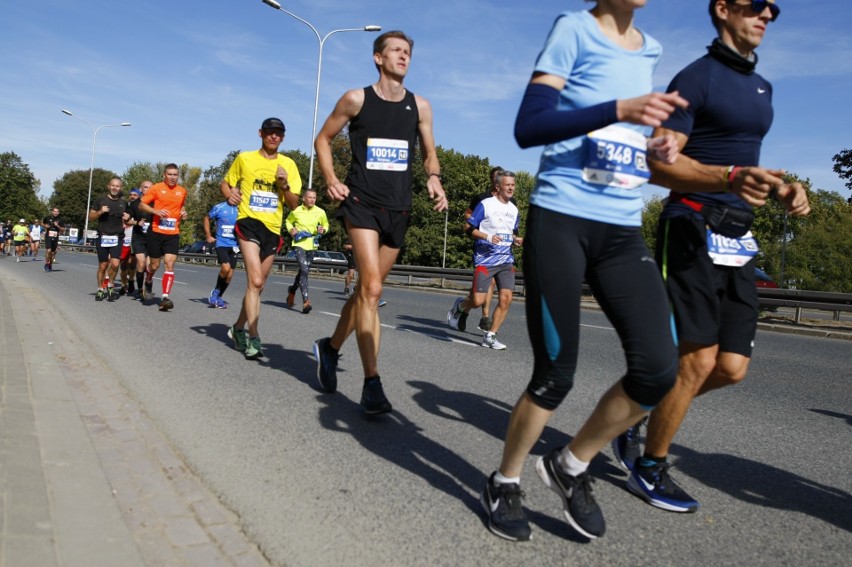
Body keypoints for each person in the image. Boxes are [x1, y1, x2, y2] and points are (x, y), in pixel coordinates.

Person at [479, 1, 689, 542]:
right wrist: (621, 107)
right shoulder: (573, 30)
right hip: (562, 221)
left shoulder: (651, 49)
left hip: (621, 230)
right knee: (556, 375)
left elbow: (621, 137)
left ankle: (570, 464)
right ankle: (505, 480)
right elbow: (531, 127)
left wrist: (653, 145)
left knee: (660, 369)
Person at [613, 0, 811, 514]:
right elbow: (658, 164)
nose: (766, 14)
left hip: (737, 235)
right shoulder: (696, 79)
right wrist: (725, 178)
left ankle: (632, 418)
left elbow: (743, 161)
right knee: (696, 360)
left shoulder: (761, 88)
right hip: (693, 225)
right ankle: (650, 465)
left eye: (773, 8)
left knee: (730, 367)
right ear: (723, 10)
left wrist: (785, 188)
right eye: (754, 5)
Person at [312, 30, 448, 415]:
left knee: (365, 296)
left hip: (399, 207)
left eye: (408, 52)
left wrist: (434, 178)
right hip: (361, 202)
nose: (404, 56)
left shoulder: (420, 106)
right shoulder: (357, 99)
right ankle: (372, 383)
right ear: (378, 57)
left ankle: (330, 348)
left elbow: (430, 153)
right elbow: (323, 139)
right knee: (371, 289)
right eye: (396, 51)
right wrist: (332, 179)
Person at [221, 117, 302, 360]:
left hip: (272, 229)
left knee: (259, 286)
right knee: (255, 280)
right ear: (260, 133)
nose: (273, 136)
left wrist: (284, 185)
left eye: (278, 133)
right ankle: (253, 337)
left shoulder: (288, 164)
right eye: (269, 132)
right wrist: (230, 194)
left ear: (283, 137)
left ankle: (237, 328)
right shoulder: (245, 158)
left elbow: (295, 204)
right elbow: (225, 183)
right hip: (248, 223)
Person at [447, 170, 523, 350]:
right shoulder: (485, 204)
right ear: (498, 186)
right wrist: (487, 237)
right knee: (478, 300)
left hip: (506, 260)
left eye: (513, 184)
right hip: (485, 260)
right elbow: (468, 228)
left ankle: (490, 336)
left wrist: (515, 239)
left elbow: (511, 232)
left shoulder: (514, 209)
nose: (511, 188)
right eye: (507, 184)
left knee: (506, 299)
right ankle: (460, 306)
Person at [139, 164, 188, 311]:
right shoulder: (156, 188)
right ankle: (148, 279)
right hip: (156, 232)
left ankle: (165, 297)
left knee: (169, 264)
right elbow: (142, 205)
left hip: (172, 234)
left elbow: (182, 207)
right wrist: (155, 211)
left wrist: (184, 213)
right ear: (164, 175)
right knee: (154, 265)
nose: (173, 177)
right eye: (170, 174)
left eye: (175, 175)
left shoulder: (182, 191)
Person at [464, 166, 505, 332]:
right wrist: (480, 224)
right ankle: (484, 316)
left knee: (491, 284)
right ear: (491, 180)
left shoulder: (509, 201)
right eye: (496, 178)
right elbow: (468, 215)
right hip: (483, 247)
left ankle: (477, 313)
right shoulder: (481, 199)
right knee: (486, 284)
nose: (498, 181)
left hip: (501, 249)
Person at [285, 188, 329, 314]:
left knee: (303, 272)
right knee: (304, 270)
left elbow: (326, 225)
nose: (312, 200)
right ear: (304, 198)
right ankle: (306, 301)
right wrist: (291, 229)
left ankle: (292, 290)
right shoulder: (296, 211)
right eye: (309, 197)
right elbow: (288, 221)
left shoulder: (320, 212)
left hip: (312, 244)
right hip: (299, 243)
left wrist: (323, 230)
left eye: (314, 198)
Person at [89, 177, 129, 301]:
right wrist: (100, 211)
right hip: (103, 236)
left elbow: (129, 220)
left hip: (117, 237)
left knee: (115, 264)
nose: (115, 188)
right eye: (113, 185)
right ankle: (100, 289)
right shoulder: (100, 200)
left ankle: (110, 285)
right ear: (108, 186)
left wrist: (129, 218)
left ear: (121, 188)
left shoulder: (124, 203)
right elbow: (90, 217)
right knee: (103, 265)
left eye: (117, 186)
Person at [204, 199, 239, 309]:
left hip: (235, 245)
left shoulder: (241, 208)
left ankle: (219, 297)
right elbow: (206, 218)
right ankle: (215, 291)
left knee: (229, 276)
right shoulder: (219, 207)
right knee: (225, 267)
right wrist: (208, 236)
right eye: (232, 193)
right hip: (221, 243)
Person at [128, 181, 154, 299]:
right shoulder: (134, 204)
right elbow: (126, 220)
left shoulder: (156, 203)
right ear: (141, 189)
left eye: (150, 187)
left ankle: (147, 288)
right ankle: (140, 289)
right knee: (141, 263)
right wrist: (136, 222)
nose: (148, 189)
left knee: (150, 267)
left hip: (152, 238)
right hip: (138, 237)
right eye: (145, 187)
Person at [42, 207, 65, 272]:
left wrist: (58, 226)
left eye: (57, 211)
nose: (55, 212)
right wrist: (45, 226)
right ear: (52, 212)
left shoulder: (60, 220)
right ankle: (47, 263)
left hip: (55, 237)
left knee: (52, 253)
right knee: (48, 250)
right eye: (54, 211)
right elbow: (42, 223)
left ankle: (50, 265)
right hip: (48, 236)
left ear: (58, 212)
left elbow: (63, 229)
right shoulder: (48, 218)